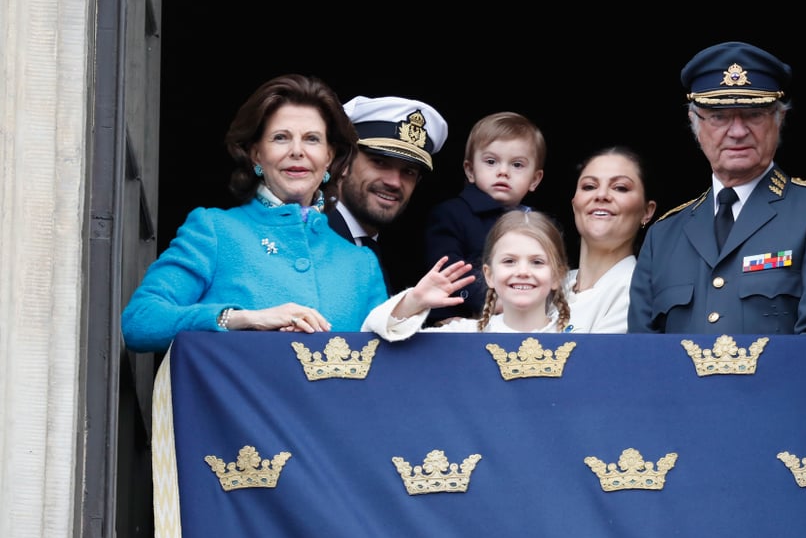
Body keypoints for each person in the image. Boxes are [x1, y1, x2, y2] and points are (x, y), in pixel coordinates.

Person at [628, 41, 806, 342]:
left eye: (753, 114)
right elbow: (643, 358)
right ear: (695, 123)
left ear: (779, 119)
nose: (737, 131)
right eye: (719, 117)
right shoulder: (664, 234)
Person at [121, 74, 388, 353]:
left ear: (329, 157)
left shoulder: (361, 263)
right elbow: (140, 321)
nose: (297, 151)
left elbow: (387, 369)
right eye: (281, 138)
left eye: (312, 139)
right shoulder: (215, 230)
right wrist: (243, 319)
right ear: (256, 155)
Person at [363, 210, 570, 340]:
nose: (523, 272)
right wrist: (414, 301)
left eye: (537, 262)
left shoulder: (581, 337)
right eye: (509, 261)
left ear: (557, 275)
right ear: (488, 274)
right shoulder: (462, 335)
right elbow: (376, 337)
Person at [422, 111, 546, 324]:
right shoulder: (452, 214)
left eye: (517, 165)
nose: (503, 172)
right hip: (460, 318)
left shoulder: (538, 223)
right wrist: (489, 300)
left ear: (535, 179)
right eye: (491, 161)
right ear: (470, 170)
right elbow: (448, 268)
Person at [328, 95, 448, 294]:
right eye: (379, 162)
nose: (394, 182)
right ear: (343, 162)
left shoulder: (388, 251)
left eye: (408, 171)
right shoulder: (307, 234)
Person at [564, 146, 657, 333]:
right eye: (589, 186)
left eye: (620, 188)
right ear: (575, 204)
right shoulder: (545, 282)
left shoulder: (640, 293)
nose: (601, 195)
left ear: (647, 211)